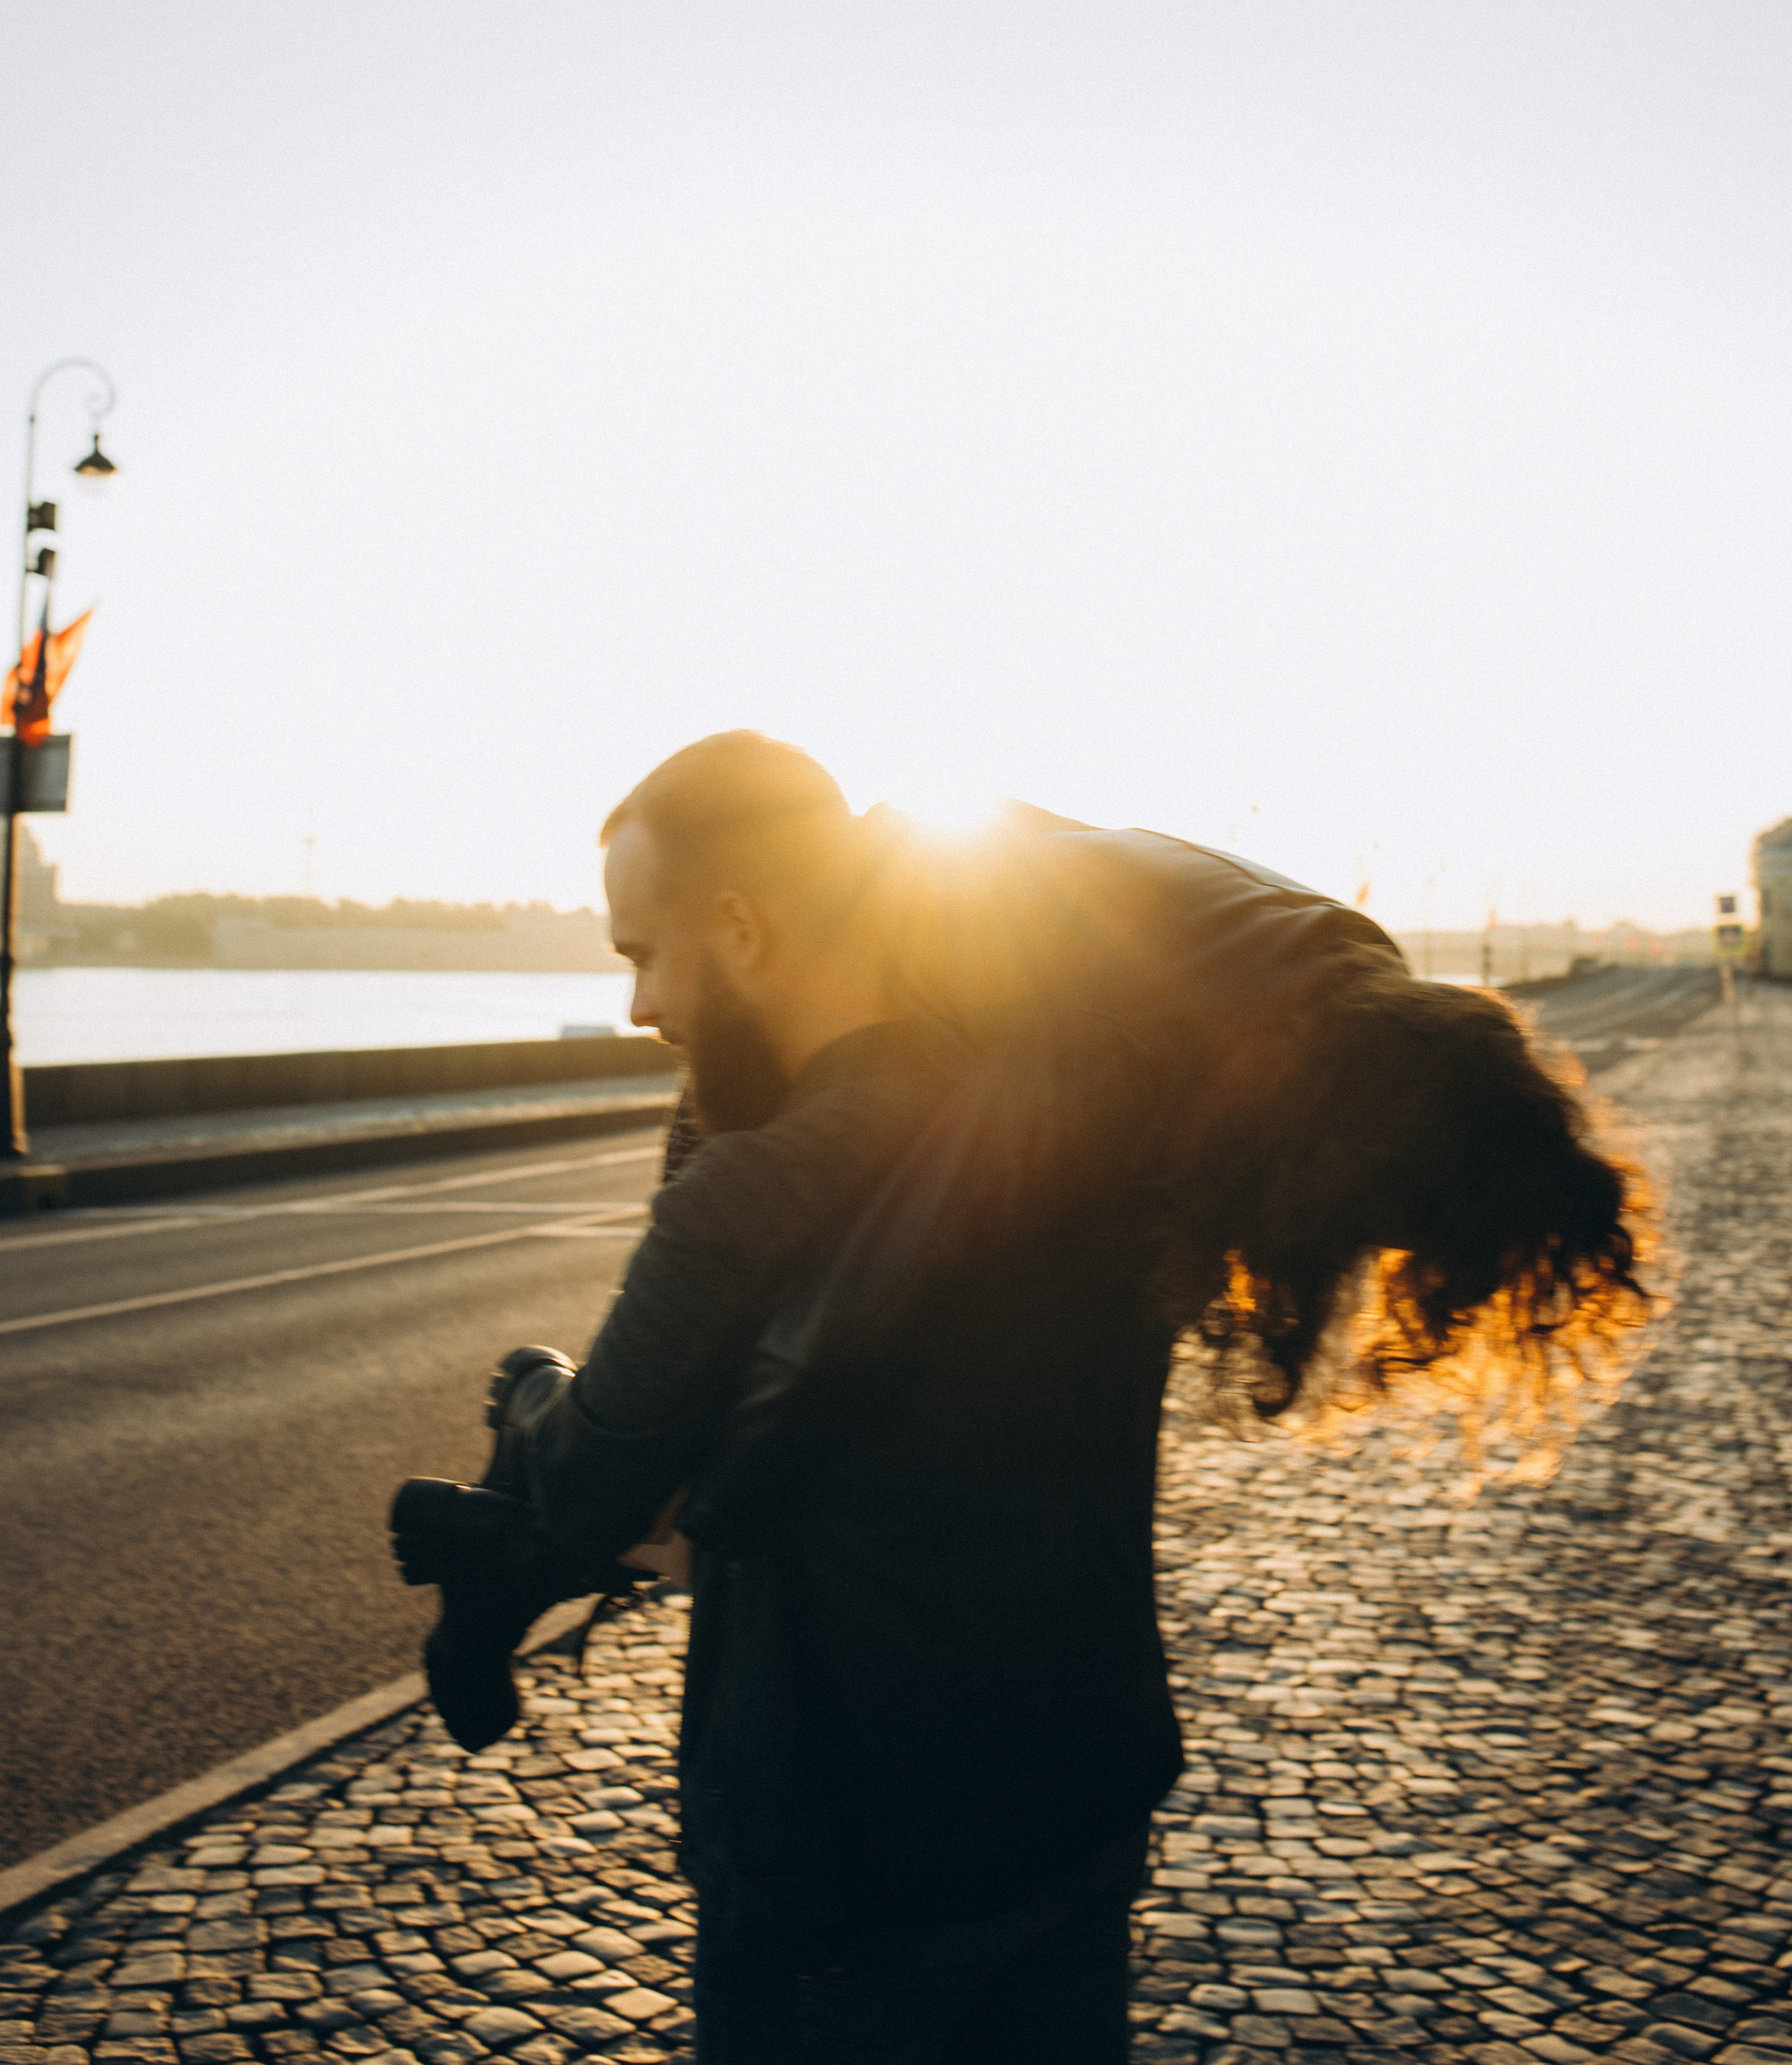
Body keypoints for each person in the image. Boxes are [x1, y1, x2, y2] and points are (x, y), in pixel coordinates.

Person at [392, 732, 1652, 2064]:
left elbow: (662, 1457)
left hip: (851, 1866)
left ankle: (514, 1497)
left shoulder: (814, 1176)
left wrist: (559, 1418)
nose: (641, 1006)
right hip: (1070, 1815)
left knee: (653, 1445)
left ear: (747, 927)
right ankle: (515, 1529)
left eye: (643, 954)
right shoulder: (1129, 1166)